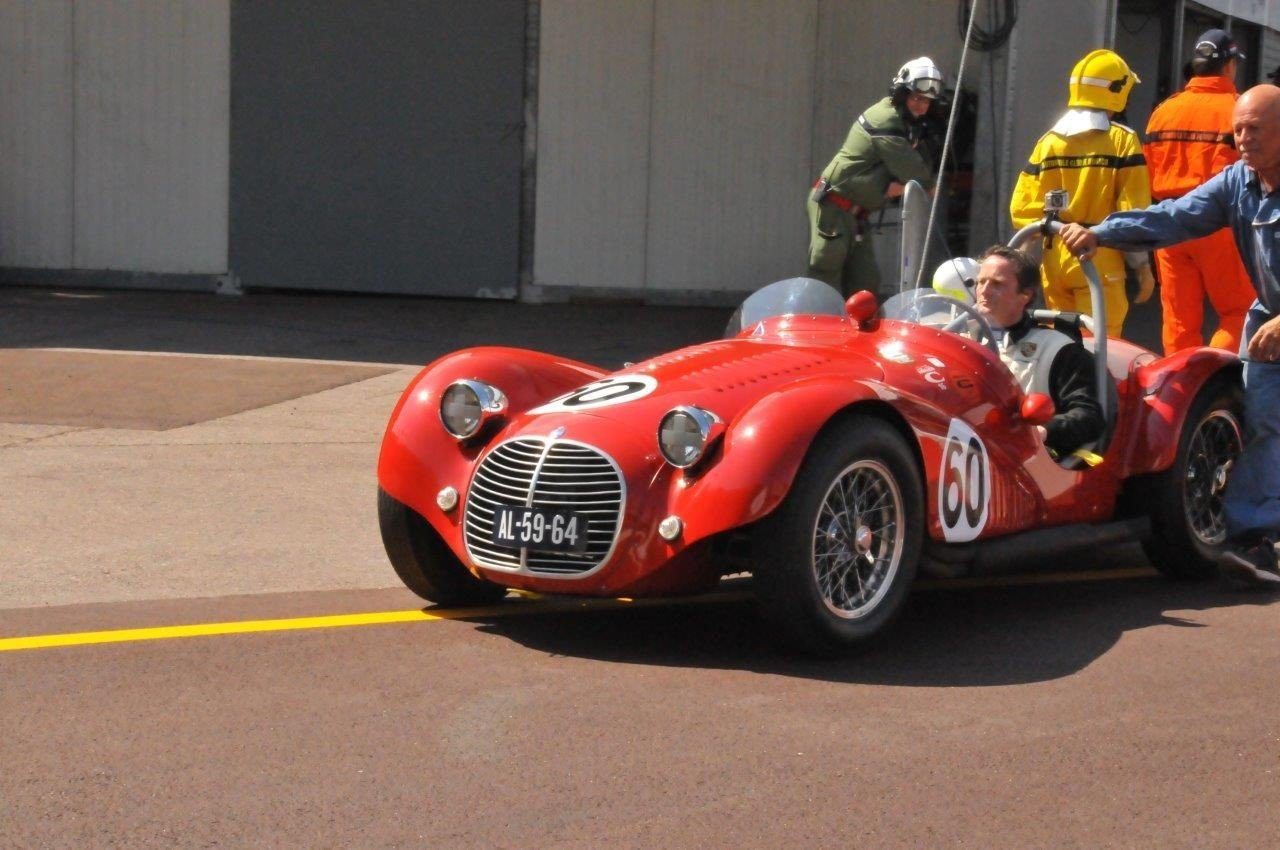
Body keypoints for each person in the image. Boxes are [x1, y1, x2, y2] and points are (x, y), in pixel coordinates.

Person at [1061, 84, 1280, 587]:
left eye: (1255, 130)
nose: (1243, 139)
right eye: (1239, 129)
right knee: (1264, 420)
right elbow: (1176, 216)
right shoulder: (1239, 183)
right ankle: (1256, 541)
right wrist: (1102, 232)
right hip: (1267, 318)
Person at [1009, 49, 1155, 338]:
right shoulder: (1122, 141)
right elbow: (1132, 213)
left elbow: (1021, 210)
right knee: (1101, 350)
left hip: (1056, 259)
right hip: (1098, 255)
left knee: (1060, 346)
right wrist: (1142, 267)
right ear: (1117, 90)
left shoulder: (1048, 143)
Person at [1144, 29, 1256, 354]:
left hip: (1169, 225)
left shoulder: (1163, 111)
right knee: (1238, 313)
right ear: (1230, 65)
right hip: (1220, 225)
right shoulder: (1238, 111)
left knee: (1179, 321)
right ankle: (1218, 386)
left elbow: (1148, 169)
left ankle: (1181, 390)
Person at [807, 57, 944, 297]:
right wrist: (925, 185)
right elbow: (911, 169)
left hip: (857, 214)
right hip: (835, 209)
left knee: (865, 282)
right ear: (902, 94)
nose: (922, 106)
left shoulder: (905, 124)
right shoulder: (886, 119)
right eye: (917, 98)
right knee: (825, 277)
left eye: (928, 102)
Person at [972, 245, 1104, 460]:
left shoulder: (1059, 349)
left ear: (1025, 294)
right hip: (962, 445)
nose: (984, 291)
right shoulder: (955, 336)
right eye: (980, 282)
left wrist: (1045, 431)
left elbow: (1088, 417)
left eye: (997, 284)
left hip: (1023, 460)